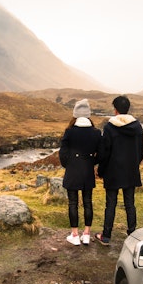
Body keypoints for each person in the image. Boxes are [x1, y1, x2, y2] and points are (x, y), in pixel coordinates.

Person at [95, 95, 143, 245]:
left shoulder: (109, 127)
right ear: (127, 109)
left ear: (115, 110)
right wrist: (134, 164)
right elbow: (141, 150)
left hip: (113, 172)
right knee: (130, 203)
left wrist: (101, 171)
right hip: (130, 171)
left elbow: (104, 152)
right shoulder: (137, 126)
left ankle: (106, 236)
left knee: (111, 204)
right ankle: (132, 234)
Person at [59, 99, 101, 245]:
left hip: (72, 171)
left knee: (73, 203)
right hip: (87, 171)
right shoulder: (96, 132)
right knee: (88, 202)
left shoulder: (69, 132)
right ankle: (87, 234)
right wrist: (91, 162)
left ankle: (75, 235)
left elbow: (62, 153)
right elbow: (100, 154)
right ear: (88, 114)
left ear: (75, 114)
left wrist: (69, 165)